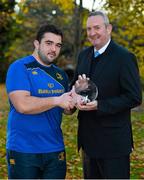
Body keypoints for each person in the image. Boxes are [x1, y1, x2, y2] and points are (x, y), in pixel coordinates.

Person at [71, 11, 142, 179]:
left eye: (97, 27)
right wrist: (76, 93)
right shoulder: (83, 56)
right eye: (89, 29)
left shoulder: (124, 57)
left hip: (114, 144)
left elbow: (134, 96)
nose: (92, 33)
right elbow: (74, 86)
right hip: (88, 141)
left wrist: (100, 105)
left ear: (108, 28)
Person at [5, 24, 74, 179]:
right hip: (24, 150)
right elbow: (22, 105)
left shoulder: (60, 75)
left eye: (58, 45)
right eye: (48, 43)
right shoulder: (20, 67)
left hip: (55, 150)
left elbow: (67, 110)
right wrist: (57, 100)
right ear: (37, 44)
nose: (53, 49)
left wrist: (75, 98)